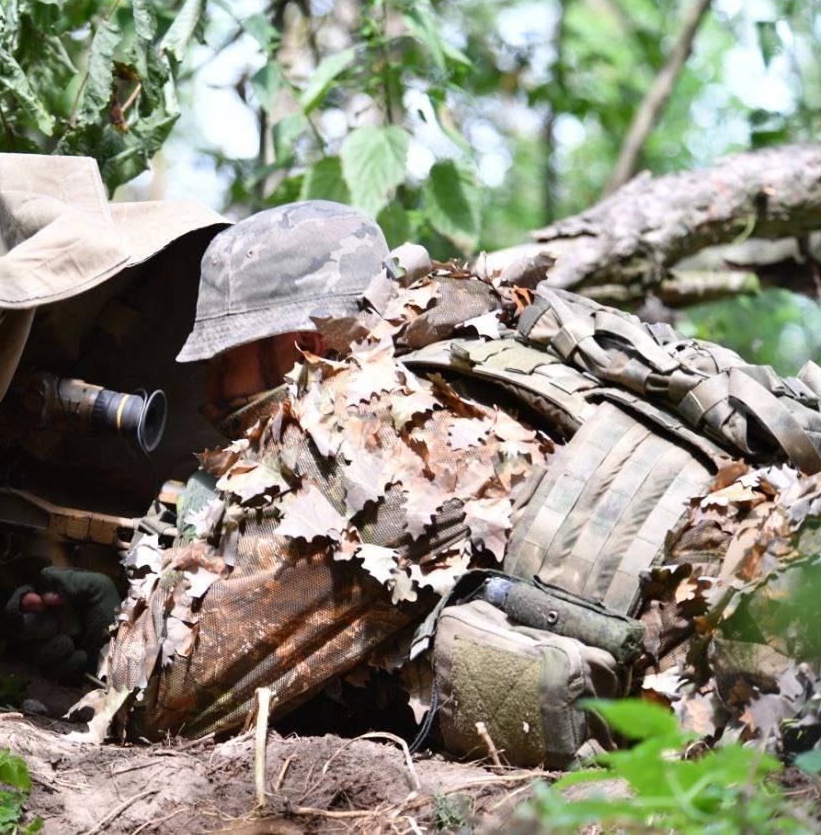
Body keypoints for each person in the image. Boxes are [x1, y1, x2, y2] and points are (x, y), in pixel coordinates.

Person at [70, 199, 821, 768]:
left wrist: (124, 591)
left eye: (223, 356)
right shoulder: (485, 357)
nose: (208, 391)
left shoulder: (352, 422)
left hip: (769, 668)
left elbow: (162, 695)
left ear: (297, 345)